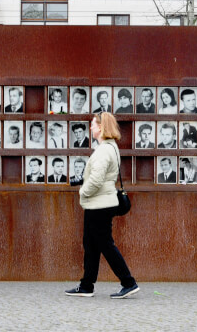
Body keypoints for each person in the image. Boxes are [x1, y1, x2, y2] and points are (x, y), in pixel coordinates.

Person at [65, 112, 138, 299]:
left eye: (93, 124)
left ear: (101, 127)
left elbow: (97, 179)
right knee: (91, 245)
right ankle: (86, 285)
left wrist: (83, 191)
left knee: (105, 244)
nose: (91, 128)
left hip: (99, 205)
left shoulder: (104, 150)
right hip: (101, 203)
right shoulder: (110, 147)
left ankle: (128, 282)